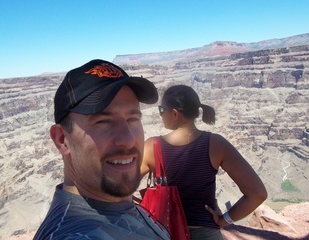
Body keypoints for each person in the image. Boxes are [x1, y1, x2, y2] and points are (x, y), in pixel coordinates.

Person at [33, 59, 170, 240]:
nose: (128, 140)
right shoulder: (78, 235)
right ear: (62, 139)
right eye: (103, 122)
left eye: (133, 119)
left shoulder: (112, 204)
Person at [140, 84, 267, 240]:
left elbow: (121, 187)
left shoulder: (152, 147)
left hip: (163, 233)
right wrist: (223, 219)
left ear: (174, 113)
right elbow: (258, 194)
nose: (160, 115)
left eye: (161, 110)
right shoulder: (217, 144)